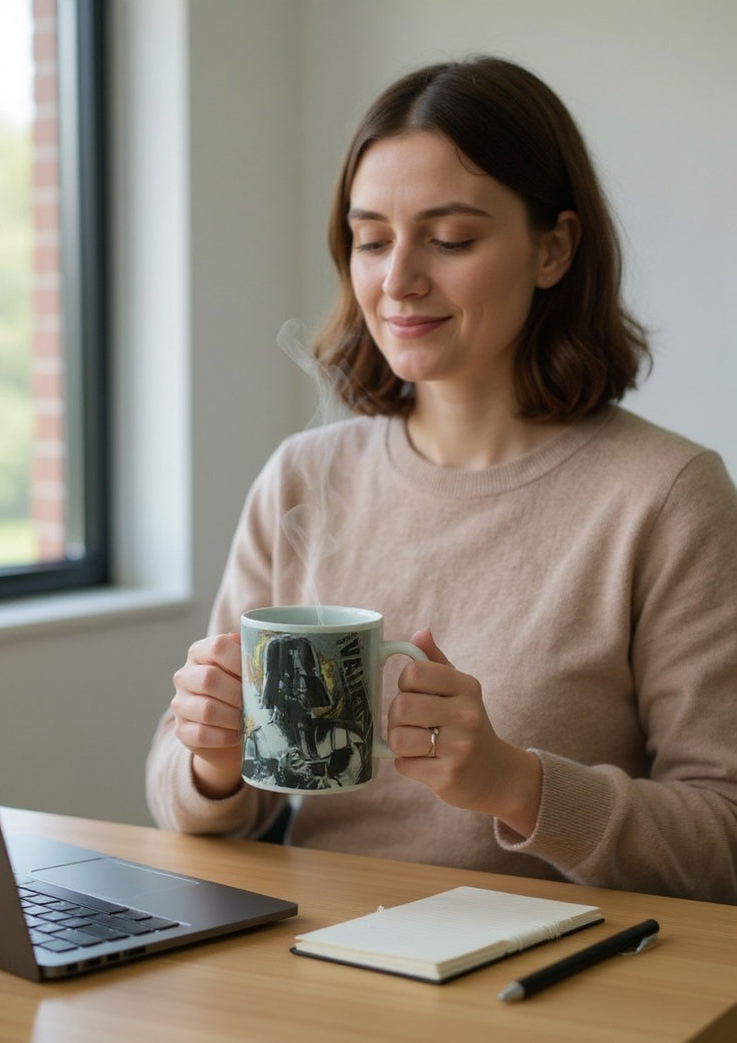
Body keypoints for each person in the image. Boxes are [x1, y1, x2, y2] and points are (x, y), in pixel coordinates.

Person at [146, 55, 737, 903]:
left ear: (554, 249)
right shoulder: (304, 477)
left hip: (550, 981)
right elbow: (192, 802)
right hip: (310, 954)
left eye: (451, 239)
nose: (397, 281)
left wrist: (515, 785)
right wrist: (209, 762)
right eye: (371, 239)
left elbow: (724, 836)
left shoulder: (666, 495)